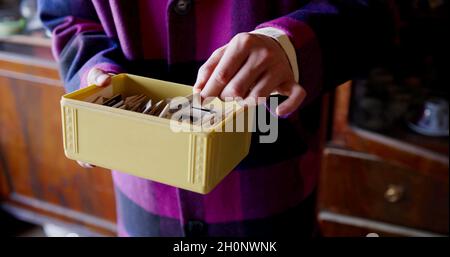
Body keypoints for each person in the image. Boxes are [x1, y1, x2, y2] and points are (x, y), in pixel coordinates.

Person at [38, 0, 395, 237]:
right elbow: (68, 16)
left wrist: (291, 46)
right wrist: (91, 72)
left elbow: (378, 10)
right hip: (143, 201)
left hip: (270, 195)